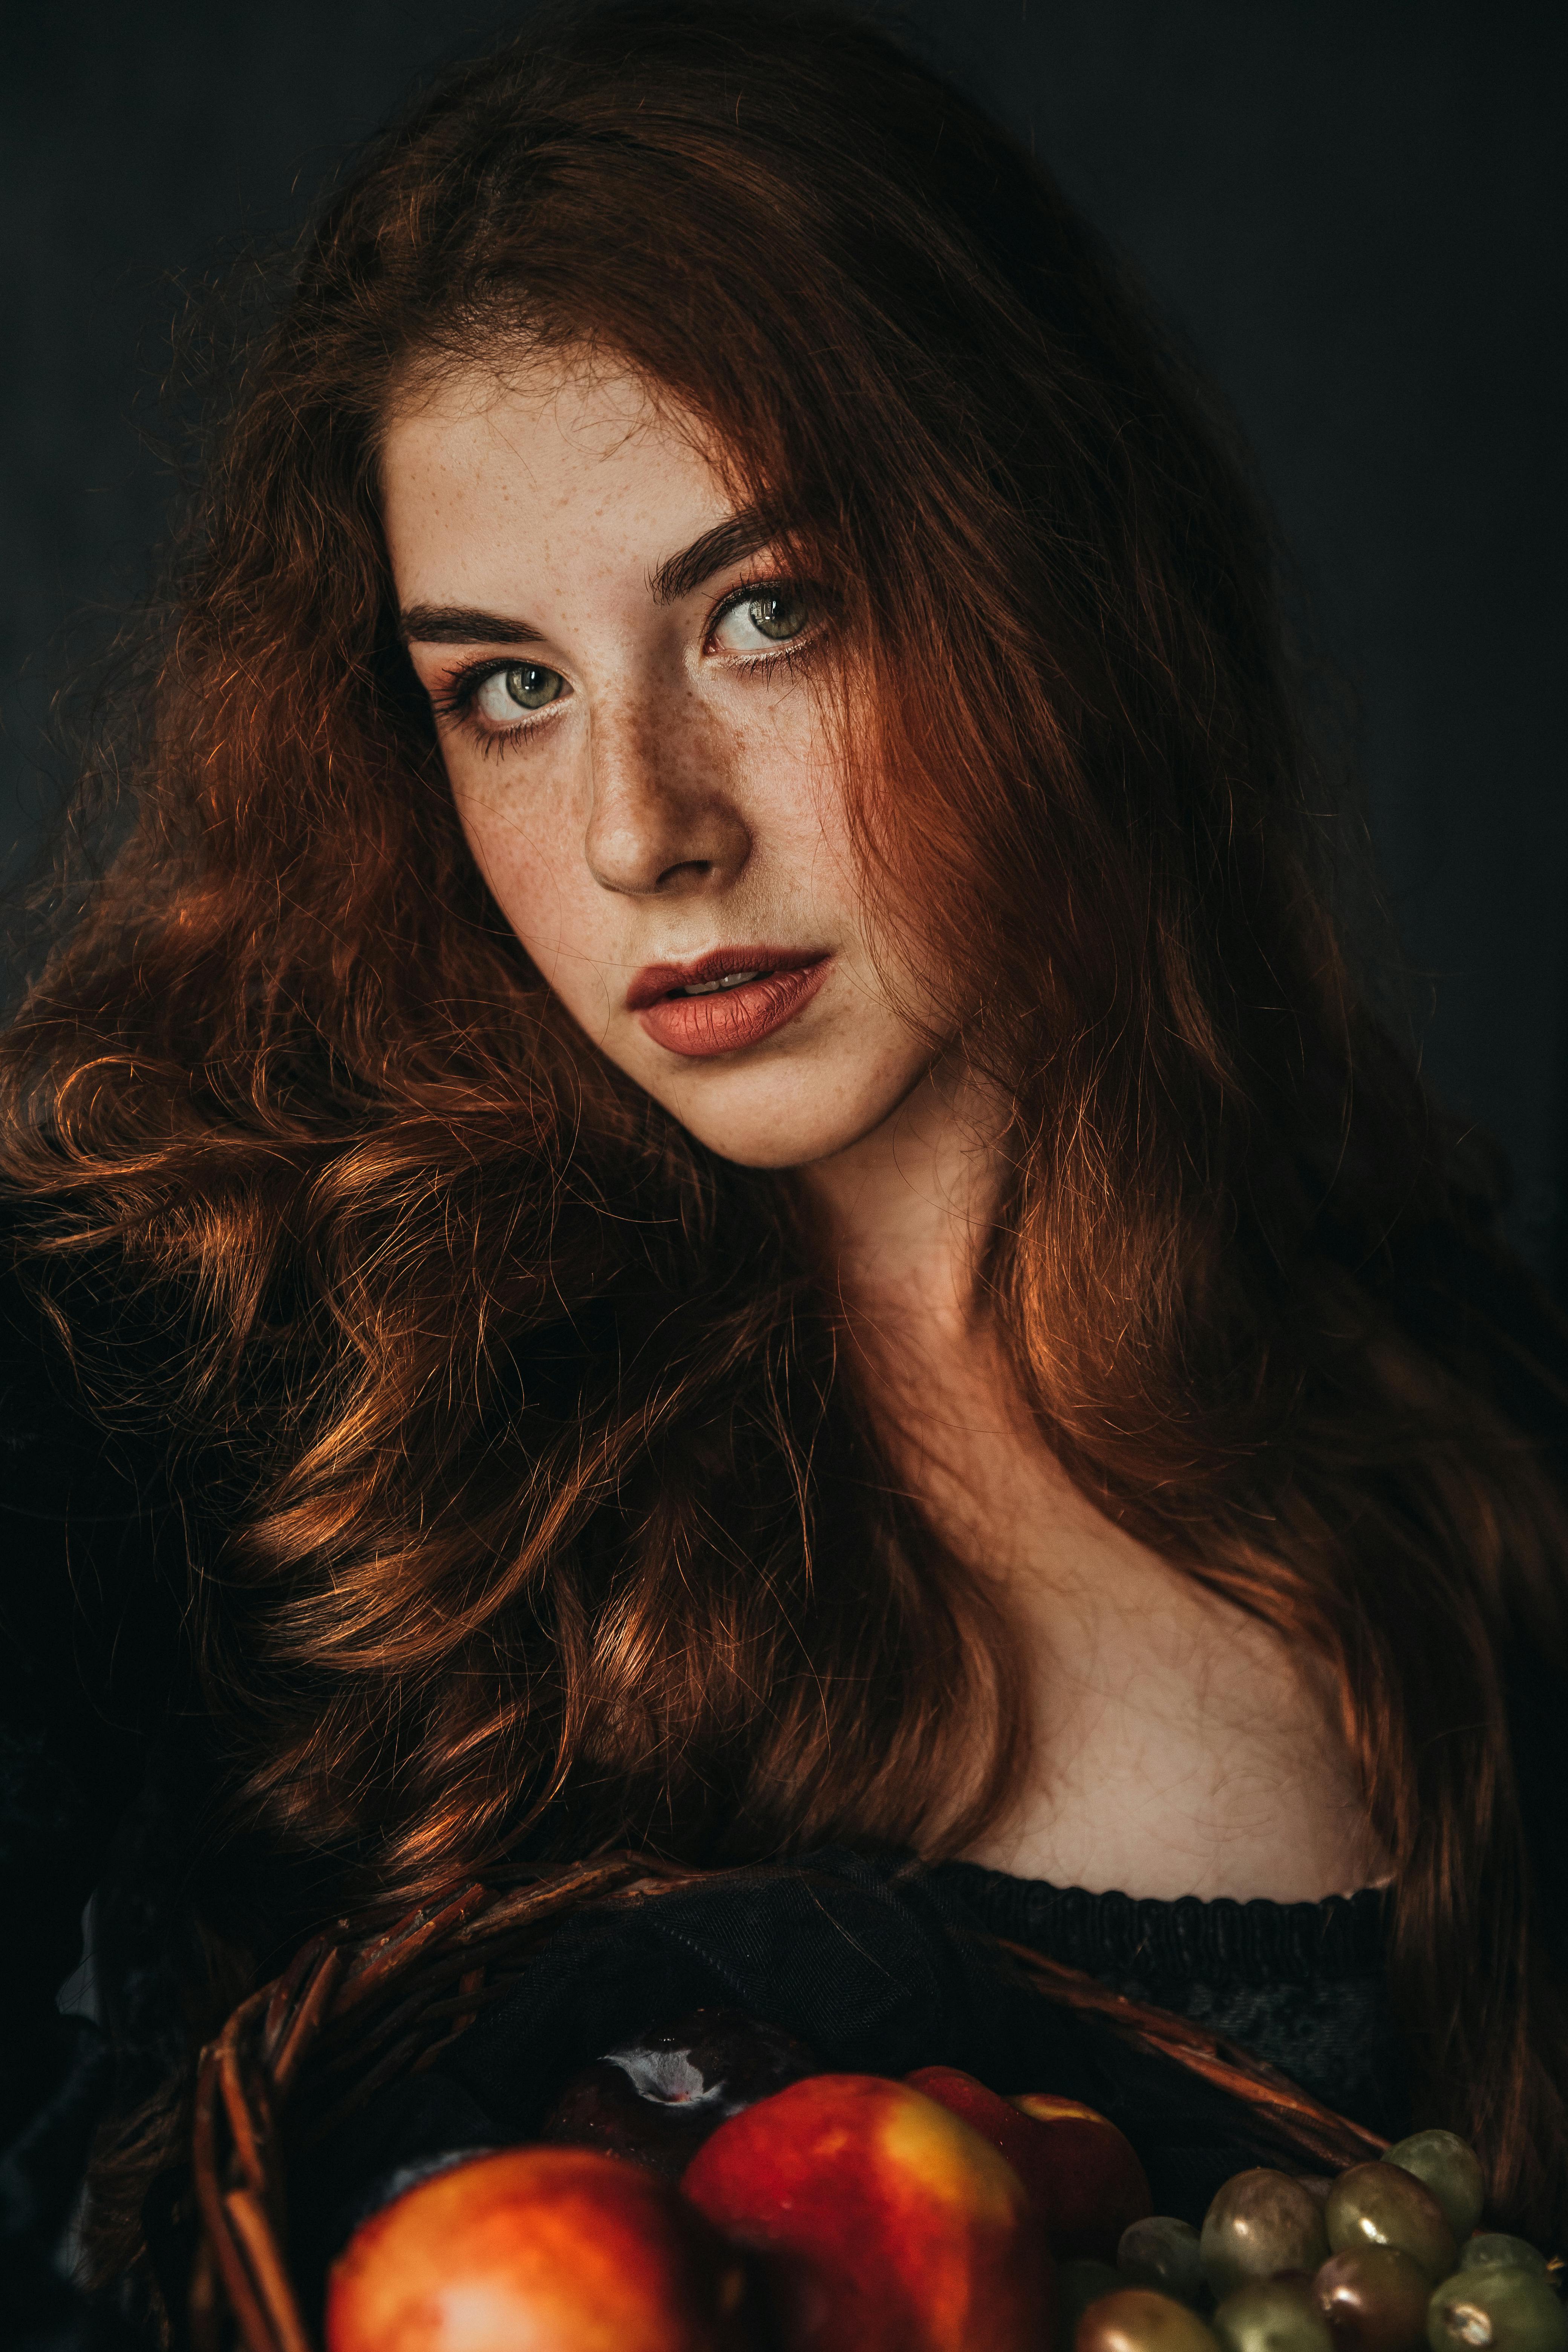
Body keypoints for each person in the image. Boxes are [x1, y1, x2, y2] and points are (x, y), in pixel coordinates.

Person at [4, 1, 1567, 2332]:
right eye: (504, 688)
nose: (645, 828)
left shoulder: (1453, 1451)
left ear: (1052, 589)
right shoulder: (211, 1385)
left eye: (768, 612)